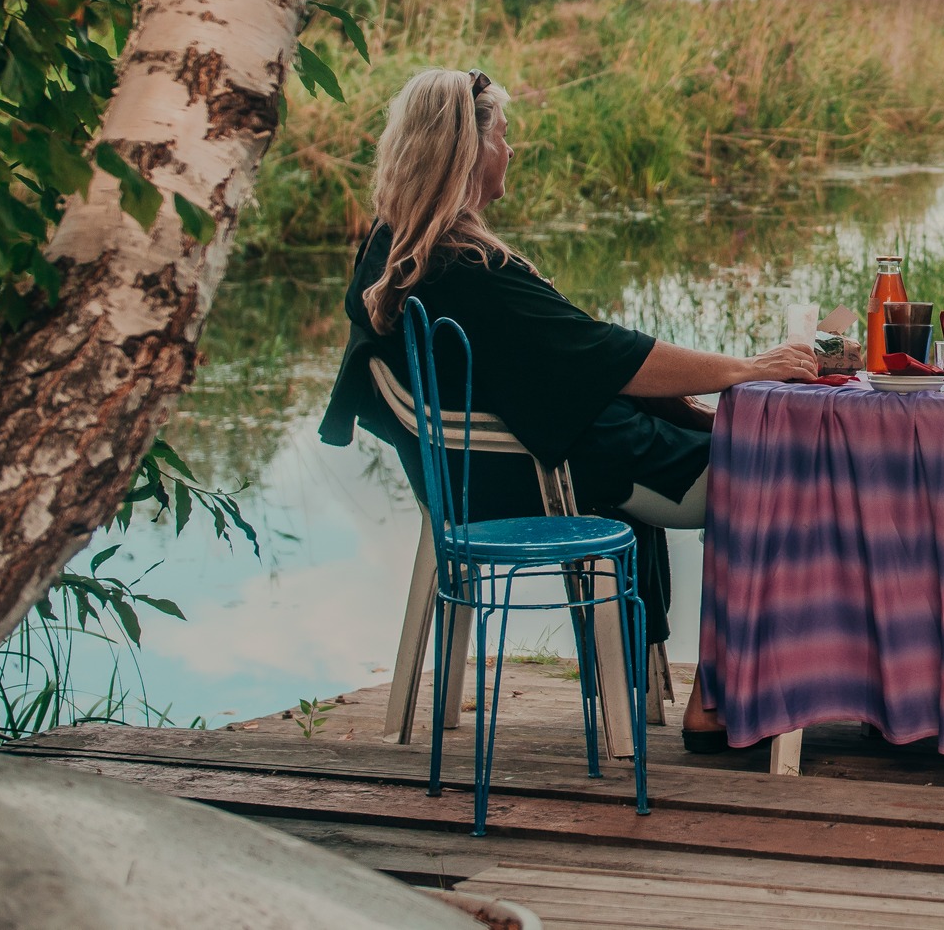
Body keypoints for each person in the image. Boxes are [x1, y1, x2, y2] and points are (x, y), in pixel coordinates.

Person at [318, 67, 816, 750]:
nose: (511, 150)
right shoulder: (467, 270)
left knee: (752, 452)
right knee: (783, 476)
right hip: (556, 469)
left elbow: (580, 357)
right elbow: (606, 353)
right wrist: (749, 371)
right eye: (505, 135)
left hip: (473, 472)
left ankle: (724, 684)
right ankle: (724, 694)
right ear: (468, 150)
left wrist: (707, 404)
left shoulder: (392, 250)